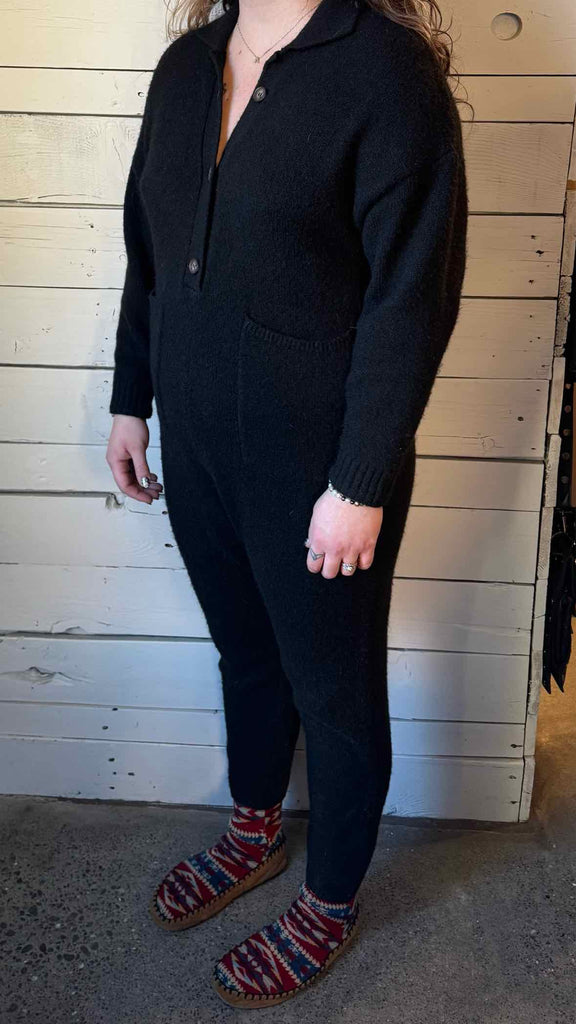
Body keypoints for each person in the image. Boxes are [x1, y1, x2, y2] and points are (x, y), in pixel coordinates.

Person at [106, 0, 468, 1007]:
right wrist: (132, 399)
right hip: (196, 442)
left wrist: (360, 481)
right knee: (247, 653)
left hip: (320, 463)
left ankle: (330, 898)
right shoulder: (186, 68)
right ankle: (255, 829)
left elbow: (411, 296)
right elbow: (149, 251)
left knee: (334, 686)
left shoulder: (387, 74)